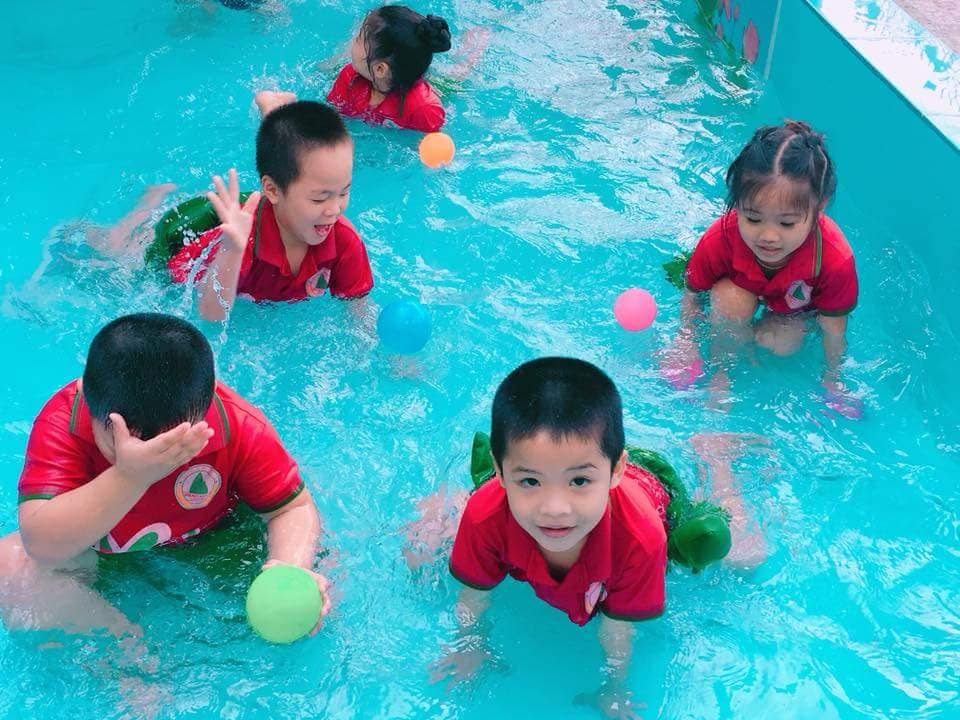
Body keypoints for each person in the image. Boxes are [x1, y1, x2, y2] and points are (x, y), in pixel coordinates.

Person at [405, 357, 764, 717]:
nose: (555, 509)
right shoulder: (485, 513)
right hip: (566, 472)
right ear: (501, 471)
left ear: (617, 470)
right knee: (430, 540)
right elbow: (474, 594)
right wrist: (471, 645)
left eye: (578, 482)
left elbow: (617, 627)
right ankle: (484, 488)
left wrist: (614, 687)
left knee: (743, 556)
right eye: (530, 481)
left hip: (653, 493)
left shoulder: (640, 538)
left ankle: (716, 457)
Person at [0, 313, 331, 638]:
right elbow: (42, 545)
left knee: (321, 581)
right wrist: (129, 476)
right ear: (87, 397)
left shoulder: (236, 424)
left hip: (217, 540)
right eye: (119, 442)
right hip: (108, 559)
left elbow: (292, 507)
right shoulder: (64, 422)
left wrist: (289, 566)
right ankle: (126, 651)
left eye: (171, 447)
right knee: (9, 567)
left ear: (205, 407)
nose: (152, 458)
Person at [662, 120, 859, 414]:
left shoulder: (833, 258)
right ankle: (722, 371)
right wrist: (685, 341)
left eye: (787, 223)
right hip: (737, 290)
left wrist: (833, 379)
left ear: (820, 207)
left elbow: (833, 330)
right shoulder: (721, 237)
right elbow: (692, 295)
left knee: (784, 343)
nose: (768, 236)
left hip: (791, 312)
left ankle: (750, 340)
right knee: (730, 300)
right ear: (737, 204)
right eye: (753, 218)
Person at [147, 100, 373, 321]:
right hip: (179, 240)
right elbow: (210, 315)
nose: (334, 210)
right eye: (319, 198)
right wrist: (232, 251)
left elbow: (359, 310)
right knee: (142, 247)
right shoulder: (239, 240)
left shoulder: (344, 240)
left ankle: (275, 109)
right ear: (272, 190)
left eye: (343, 193)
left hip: (273, 199)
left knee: (287, 158)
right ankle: (150, 199)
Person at [256, 5, 451, 133]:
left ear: (380, 69)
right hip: (396, 72)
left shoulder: (424, 108)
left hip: (424, 84)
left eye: (358, 39)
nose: (351, 42)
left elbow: (432, 144)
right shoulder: (349, 77)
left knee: (454, 81)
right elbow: (332, 118)